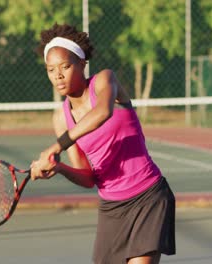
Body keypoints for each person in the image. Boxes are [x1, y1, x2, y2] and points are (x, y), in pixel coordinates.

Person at [30, 23, 176, 264]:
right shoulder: (61, 118)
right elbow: (89, 178)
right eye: (51, 69)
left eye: (65, 67)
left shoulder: (105, 80)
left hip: (148, 196)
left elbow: (102, 112)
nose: (57, 75)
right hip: (112, 209)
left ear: (82, 63)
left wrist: (58, 145)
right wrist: (59, 168)